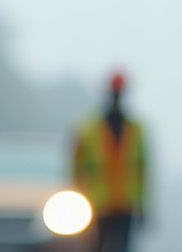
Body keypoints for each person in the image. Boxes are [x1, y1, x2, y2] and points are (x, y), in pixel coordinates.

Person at [72, 70, 148, 252]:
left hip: (124, 204)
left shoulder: (136, 130)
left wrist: (142, 205)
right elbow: (76, 169)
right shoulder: (89, 128)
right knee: (94, 247)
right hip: (96, 204)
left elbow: (143, 172)